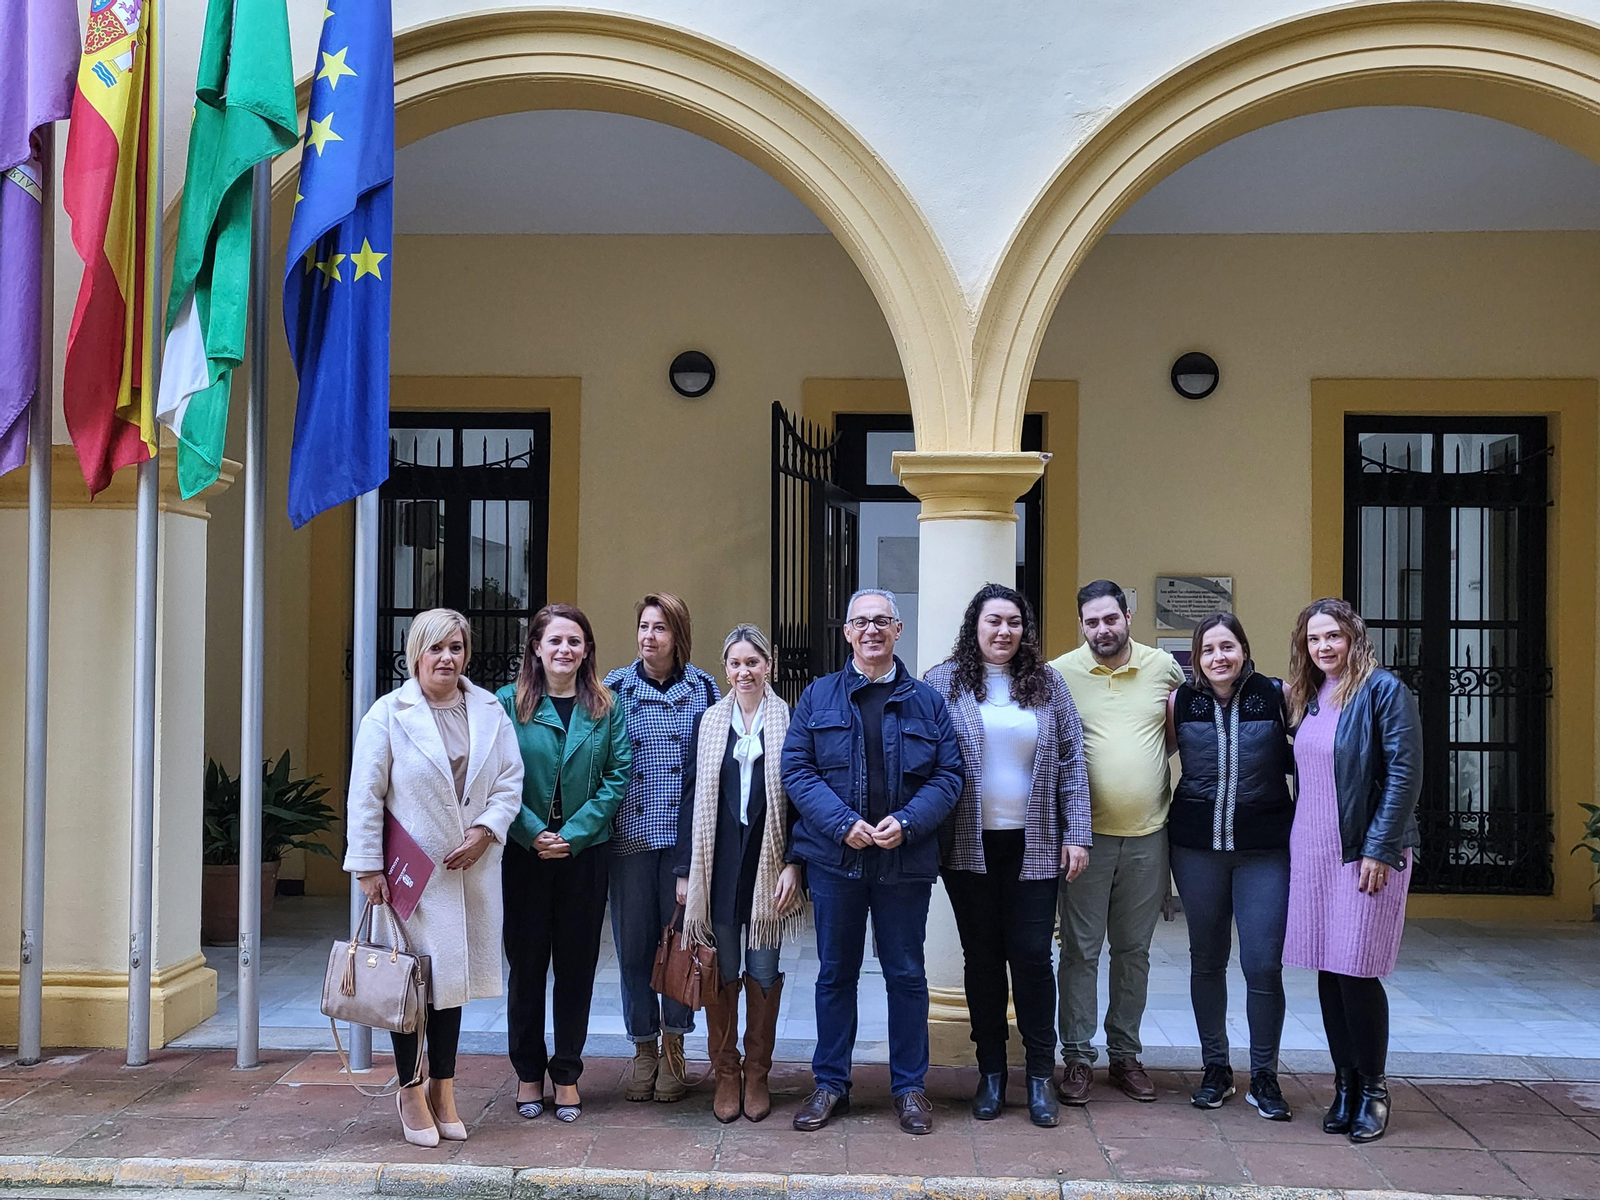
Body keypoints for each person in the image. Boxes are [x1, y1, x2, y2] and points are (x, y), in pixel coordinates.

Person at [781, 588, 964, 1135]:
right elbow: (797, 769)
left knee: (906, 975)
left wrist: (906, 822)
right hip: (836, 864)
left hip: (903, 865)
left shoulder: (928, 701)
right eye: (861, 622)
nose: (871, 631)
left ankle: (910, 1088)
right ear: (847, 632)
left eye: (882, 621)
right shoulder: (818, 697)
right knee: (835, 974)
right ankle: (830, 1083)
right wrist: (841, 824)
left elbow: (949, 775)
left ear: (898, 629)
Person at [345, 609, 525, 1148]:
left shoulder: (491, 709)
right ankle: (410, 1089)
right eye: (436, 648)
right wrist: (368, 868)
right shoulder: (388, 714)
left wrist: (488, 830)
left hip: (469, 872)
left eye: (456, 647)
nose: (447, 658)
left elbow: (511, 782)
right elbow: (366, 794)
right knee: (411, 986)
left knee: (452, 988)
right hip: (411, 878)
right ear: (415, 654)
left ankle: (444, 1089)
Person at [925, 583, 1091, 1129]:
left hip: (1036, 842)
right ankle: (991, 1073)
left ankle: (1040, 1074)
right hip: (967, 845)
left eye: (1014, 622)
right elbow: (925, 763)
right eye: (993, 621)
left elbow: (1071, 765)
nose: (1004, 632)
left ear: (1026, 630)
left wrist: (1078, 834)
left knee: (1032, 959)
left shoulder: (1049, 685)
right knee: (982, 960)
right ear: (975, 626)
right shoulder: (942, 684)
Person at [1284, 597, 1421, 1144]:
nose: (1324, 647)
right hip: (1312, 849)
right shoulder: (1308, 696)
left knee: (1358, 968)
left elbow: (1405, 773)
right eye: (1314, 639)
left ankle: (1374, 1089)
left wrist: (1380, 849)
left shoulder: (1383, 690)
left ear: (1353, 637)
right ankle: (1343, 1084)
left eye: (1333, 637)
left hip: (1365, 853)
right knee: (1327, 965)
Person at [1049, 580, 1185, 1104]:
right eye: (1091, 622)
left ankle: (1125, 1055)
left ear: (1128, 615)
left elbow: (1171, 732)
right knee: (1080, 951)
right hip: (1085, 841)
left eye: (1110, 618)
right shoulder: (1059, 674)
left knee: (1134, 951)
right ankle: (1079, 1058)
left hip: (1150, 836)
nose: (1102, 629)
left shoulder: (1162, 667)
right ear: (1081, 625)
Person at [497, 604, 631, 1125]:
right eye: (555, 641)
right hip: (523, 854)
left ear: (587, 650)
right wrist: (532, 832)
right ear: (536, 646)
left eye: (575, 642)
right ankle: (528, 1072)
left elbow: (618, 776)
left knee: (576, 968)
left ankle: (568, 1073)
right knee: (527, 967)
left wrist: (572, 836)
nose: (564, 650)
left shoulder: (605, 706)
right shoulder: (508, 704)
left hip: (584, 855)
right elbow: (495, 776)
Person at [672, 624, 806, 1123]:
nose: (744, 671)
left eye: (753, 662)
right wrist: (686, 871)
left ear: (768, 665)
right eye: (735, 663)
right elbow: (690, 799)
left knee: (763, 969)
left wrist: (795, 862)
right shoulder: (709, 723)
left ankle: (758, 1073)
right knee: (724, 969)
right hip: (718, 860)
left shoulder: (789, 722)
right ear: (725, 669)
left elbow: (800, 802)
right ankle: (726, 1071)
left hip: (767, 860)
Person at [1166, 613, 1295, 1119]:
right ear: (1196, 658)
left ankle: (1265, 1075)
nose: (1218, 658)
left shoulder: (1277, 695)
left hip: (1265, 849)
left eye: (1227, 646)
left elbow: (1306, 758)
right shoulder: (1182, 701)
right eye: (1207, 650)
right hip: (1196, 849)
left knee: (1262, 963)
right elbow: (1157, 755)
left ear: (1244, 648)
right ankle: (1215, 1068)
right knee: (1207, 959)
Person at [603, 594, 721, 1103]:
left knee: (678, 946)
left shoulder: (706, 690)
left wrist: (694, 855)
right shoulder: (612, 689)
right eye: (644, 627)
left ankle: (675, 1046)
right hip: (629, 839)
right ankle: (643, 1047)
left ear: (679, 636)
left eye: (661, 628)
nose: (649, 637)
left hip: (684, 843)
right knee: (633, 949)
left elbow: (710, 772)